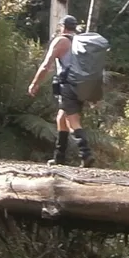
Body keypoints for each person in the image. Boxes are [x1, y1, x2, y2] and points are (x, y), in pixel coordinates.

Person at [30, 15, 94, 167]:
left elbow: (46, 65)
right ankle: (59, 158)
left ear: (63, 27)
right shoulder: (81, 42)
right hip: (83, 84)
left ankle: (86, 154)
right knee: (61, 118)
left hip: (68, 85)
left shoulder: (60, 41)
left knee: (72, 121)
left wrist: (35, 83)